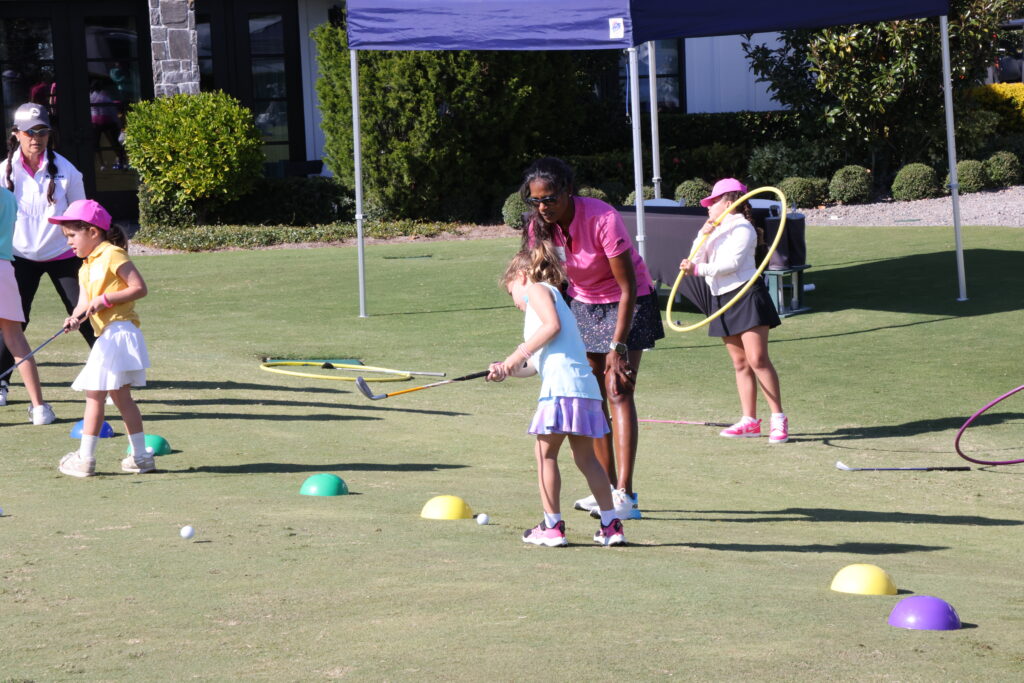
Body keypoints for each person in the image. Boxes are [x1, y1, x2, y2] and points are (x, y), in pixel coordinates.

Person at [519, 157, 663, 521]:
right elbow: (543, 280)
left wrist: (618, 345)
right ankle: (607, 493)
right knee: (593, 397)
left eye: (549, 199)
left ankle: (625, 495)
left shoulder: (602, 218)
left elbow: (629, 287)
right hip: (583, 304)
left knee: (619, 390)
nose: (542, 207)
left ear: (567, 191)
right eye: (534, 201)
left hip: (629, 301)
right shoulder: (540, 226)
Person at [488, 245, 625, 547]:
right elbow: (535, 365)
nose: (516, 303)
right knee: (586, 459)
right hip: (584, 390)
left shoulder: (537, 290)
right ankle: (611, 525)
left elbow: (552, 327)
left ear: (521, 276)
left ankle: (552, 527)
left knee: (544, 454)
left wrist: (516, 355)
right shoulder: (554, 300)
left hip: (562, 390)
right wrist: (507, 369)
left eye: (511, 293)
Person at [678, 178, 788, 443]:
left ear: (728, 202)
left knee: (757, 359)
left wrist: (698, 270)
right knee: (740, 363)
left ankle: (778, 419)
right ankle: (749, 420)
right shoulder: (714, 229)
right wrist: (702, 233)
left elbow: (732, 263)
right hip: (721, 298)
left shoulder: (743, 228)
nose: (708, 207)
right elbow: (694, 257)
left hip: (746, 294)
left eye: (712, 202)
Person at [49, 199, 152, 478]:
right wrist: (75, 318)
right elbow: (83, 304)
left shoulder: (112, 254)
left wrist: (105, 299)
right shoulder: (85, 267)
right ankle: (140, 457)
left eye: (72, 235)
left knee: (95, 396)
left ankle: (85, 460)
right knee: (120, 398)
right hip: (109, 335)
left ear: (93, 231)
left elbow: (139, 288)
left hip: (120, 332)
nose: (68, 242)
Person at [0, 102, 91, 408]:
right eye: (30, 132)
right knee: (13, 323)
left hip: (63, 254)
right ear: (16, 134)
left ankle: (112, 373)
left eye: (43, 132)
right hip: (19, 256)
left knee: (86, 314)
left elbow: (82, 216)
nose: (36, 138)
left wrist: (89, 254)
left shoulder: (66, 170)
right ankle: (2, 380)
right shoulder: (3, 171)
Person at [0, 185, 55, 424]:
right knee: (16, 338)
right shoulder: (8, 196)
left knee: (15, 338)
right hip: (3, 268)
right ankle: (39, 408)